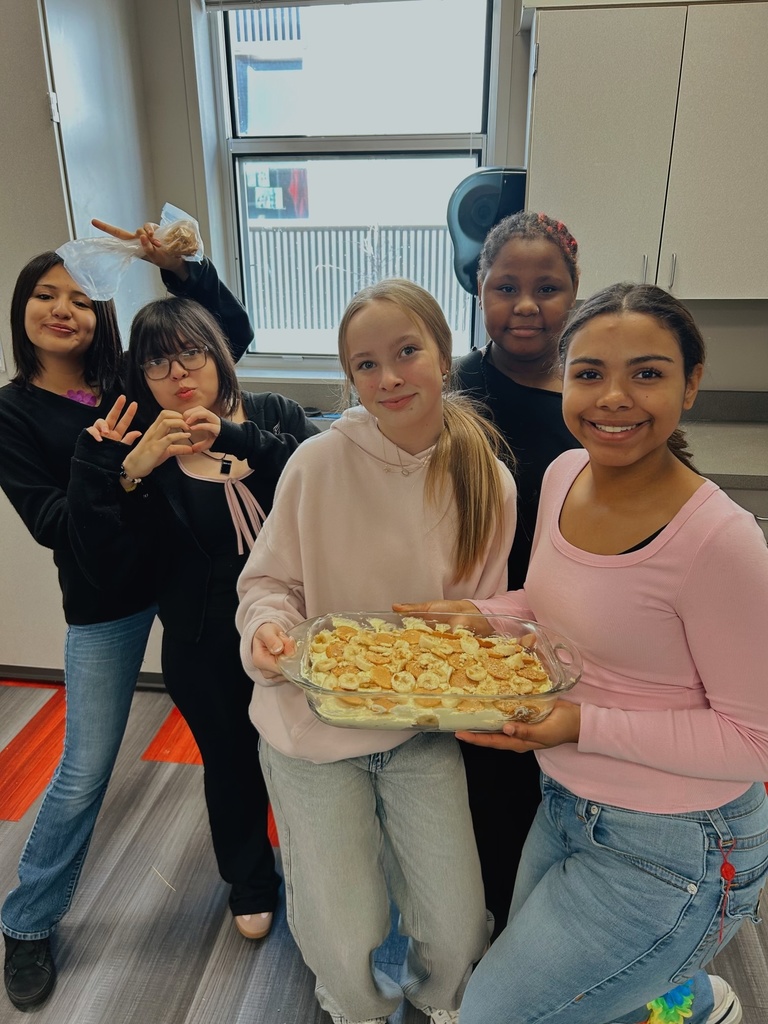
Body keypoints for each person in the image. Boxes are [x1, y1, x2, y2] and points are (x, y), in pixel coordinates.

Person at [398, 282, 768, 1024]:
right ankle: (680, 997)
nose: (614, 398)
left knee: (493, 1014)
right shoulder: (566, 474)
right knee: (586, 997)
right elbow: (556, 612)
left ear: (692, 383)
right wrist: (482, 616)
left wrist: (578, 723)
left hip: (678, 847)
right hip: (567, 804)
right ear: (565, 378)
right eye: (591, 373)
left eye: (649, 373)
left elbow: (752, 741)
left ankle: (684, 989)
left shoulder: (721, 541)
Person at [236, 278, 518, 1024]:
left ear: (443, 355)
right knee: (345, 927)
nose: (388, 378)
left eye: (406, 353)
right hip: (311, 727)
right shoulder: (317, 464)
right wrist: (266, 629)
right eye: (366, 365)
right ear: (350, 376)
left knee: (458, 926)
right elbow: (268, 584)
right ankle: (355, 1010)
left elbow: (478, 622)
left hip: (419, 733)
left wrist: (478, 654)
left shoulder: (487, 481)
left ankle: (440, 1003)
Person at [0, 227, 253, 1011]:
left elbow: (225, 339)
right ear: (21, 310)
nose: (63, 309)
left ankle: (254, 873)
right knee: (84, 768)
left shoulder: (126, 378)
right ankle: (29, 921)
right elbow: (54, 525)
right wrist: (125, 467)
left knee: (237, 739)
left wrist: (179, 267)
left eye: (81, 296)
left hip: (187, 585)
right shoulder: (12, 412)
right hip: (105, 603)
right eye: (46, 295)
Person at [70, 295, 318, 943]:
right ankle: (251, 880)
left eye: (191, 351)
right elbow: (104, 563)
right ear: (140, 377)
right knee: (231, 763)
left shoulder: (272, 414)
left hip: (302, 628)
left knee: (310, 761)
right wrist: (126, 472)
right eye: (157, 363)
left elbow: (323, 482)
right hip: (205, 642)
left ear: (217, 351)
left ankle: (322, 874)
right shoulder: (140, 451)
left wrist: (235, 438)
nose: (179, 372)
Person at [453, 210, 581, 936]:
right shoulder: (451, 392)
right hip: (477, 628)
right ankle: (492, 932)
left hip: (571, 628)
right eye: (506, 286)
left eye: (547, 287)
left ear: (573, 295)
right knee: (487, 789)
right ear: (480, 290)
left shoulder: (593, 398)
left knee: (559, 790)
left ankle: (553, 936)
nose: (526, 304)